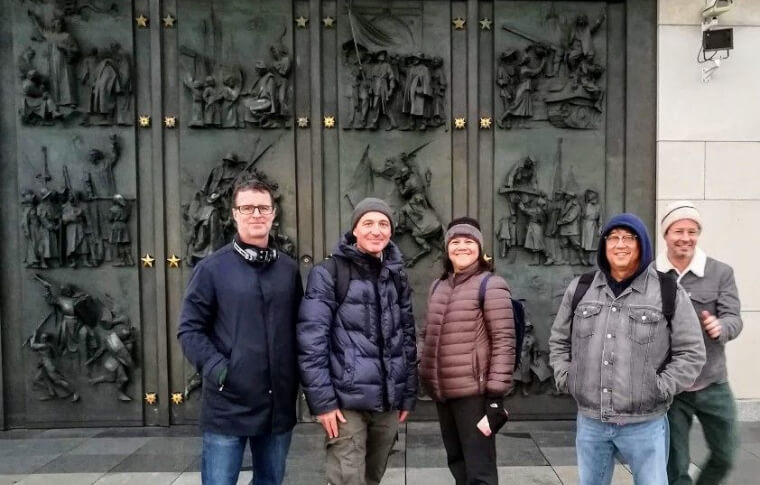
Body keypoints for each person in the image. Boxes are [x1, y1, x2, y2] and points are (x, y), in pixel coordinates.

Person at [549, 212, 706, 485]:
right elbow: (559, 340)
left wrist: (660, 387)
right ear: (604, 245)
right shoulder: (581, 288)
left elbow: (691, 352)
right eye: (614, 238)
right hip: (591, 422)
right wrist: (568, 377)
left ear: (641, 245)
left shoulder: (667, 291)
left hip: (645, 424)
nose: (620, 244)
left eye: (628, 238)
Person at [178, 179, 303, 485]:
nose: (256, 214)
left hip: (277, 406)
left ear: (273, 214)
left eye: (263, 207)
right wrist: (220, 370)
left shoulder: (288, 269)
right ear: (234, 214)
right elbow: (190, 329)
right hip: (227, 405)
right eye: (247, 208)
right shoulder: (211, 269)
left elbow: (300, 327)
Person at [297, 197, 417, 485]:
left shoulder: (396, 276)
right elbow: (311, 342)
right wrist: (323, 403)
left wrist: (407, 395)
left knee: (371, 478)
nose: (376, 230)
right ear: (354, 230)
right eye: (368, 223)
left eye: (383, 224)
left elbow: (407, 337)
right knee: (348, 479)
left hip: (387, 402)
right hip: (345, 402)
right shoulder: (328, 273)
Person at [419, 217, 515, 485]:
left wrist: (495, 395)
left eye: (469, 241)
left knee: (480, 471)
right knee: (457, 462)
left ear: (480, 248)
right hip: (444, 391)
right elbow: (428, 333)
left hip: (474, 394)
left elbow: (504, 340)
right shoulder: (438, 286)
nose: (462, 247)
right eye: (455, 242)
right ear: (447, 249)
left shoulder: (490, 284)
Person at [658, 201, 743, 485]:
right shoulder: (650, 275)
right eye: (678, 230)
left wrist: (721, 327)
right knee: (675, 466)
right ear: (666, 234)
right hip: (672, 388)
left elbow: (734, 318)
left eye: (692, 231)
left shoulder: (721, 273)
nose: (685, 237)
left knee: (727, 454)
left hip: (713, 382)